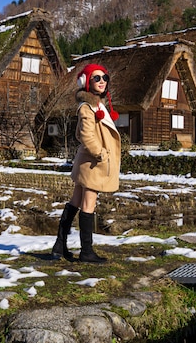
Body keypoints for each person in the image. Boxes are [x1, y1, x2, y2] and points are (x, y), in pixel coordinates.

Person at [51, 63, 121, 263]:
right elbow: (85, 134)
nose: (101, 82)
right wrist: (100, 153)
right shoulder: (87, 107)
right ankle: (86, 252)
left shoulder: (97, 105)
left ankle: (59, 246)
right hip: (93, 162)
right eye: (96, 78)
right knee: (88, 204)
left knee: (75, 201)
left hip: (88, 161)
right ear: (86, 82)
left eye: (104, 78)